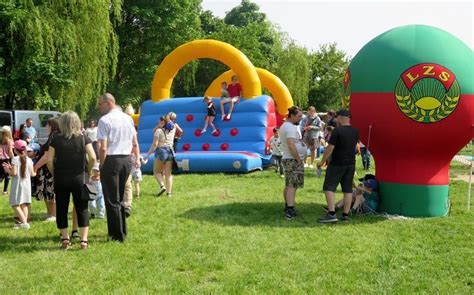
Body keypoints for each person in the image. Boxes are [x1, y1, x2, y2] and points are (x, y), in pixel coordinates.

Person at [47, 111, 97, 249]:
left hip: (61, 177)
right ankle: (84, 240)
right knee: (82, 208)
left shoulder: (55, 139)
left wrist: (54, 173)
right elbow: (93, 157)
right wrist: (88, 170)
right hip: (79, 177)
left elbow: (49, 161)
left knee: (62, 208)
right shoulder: (83, 138)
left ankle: (65, 239)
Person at [97, 93, 140, 242]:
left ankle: (116, 235)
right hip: (126, 159)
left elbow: (102, 148)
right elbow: (134, 141)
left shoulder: (104, 120)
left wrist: (101, 164)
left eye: (100, 104)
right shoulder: (128, 118)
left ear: (108, 103)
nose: (99, 107)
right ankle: (122, 230)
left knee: (111, 199)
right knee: (120, 197)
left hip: (111, 159)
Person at [317, 109, 359, 223]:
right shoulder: (356, 131)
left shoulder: (337, 131)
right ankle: (345, 215)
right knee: (348, 189)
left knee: (329, 188)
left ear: (340, 117)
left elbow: (330, 148)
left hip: (337, 163)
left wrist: (322, 161)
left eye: (336, 117)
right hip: (351, 163)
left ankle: (331, 214)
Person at [280, 106, 306, 219]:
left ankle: (287, 206)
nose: (301, 118)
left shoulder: (286, 126)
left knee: (288, 184)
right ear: (292, 115)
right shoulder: (290, 128)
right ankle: (290, 210)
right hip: (292, 159)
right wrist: (298, 159)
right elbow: (291, 144)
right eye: (299, 116)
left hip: (288, 158)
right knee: (293, 185)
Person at [3, 140, 36, 229]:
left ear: (15, 150)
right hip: (26, 185)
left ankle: (24, 223)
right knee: (24, 204)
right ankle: (23, 222)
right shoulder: (29, 160)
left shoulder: (15, 159)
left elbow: (14, 173)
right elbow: (33, 174)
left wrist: (7, 170)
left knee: (15, 204)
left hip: (17, 185)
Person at [33, 118, 60, 222]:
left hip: (49, 170)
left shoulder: (53, 137)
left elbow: (46, 156)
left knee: (50, 192)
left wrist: (35, 167)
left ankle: (53, 214)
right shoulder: (52, 137)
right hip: (45, 170)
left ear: (52, 126)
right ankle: (50, 214)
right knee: (46, 193)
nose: (46, 128)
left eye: (47, 125)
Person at [143, 115, 176, 197]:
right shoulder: (173, 129)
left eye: (159, 121)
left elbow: (155, 144)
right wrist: (160, 125)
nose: (157, 122)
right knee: (168, 174)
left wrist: (147, 156)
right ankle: (169, 193)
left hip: (161, 151)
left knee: (157, 171)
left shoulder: (158, 131)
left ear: (162, 122)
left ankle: (162, 186)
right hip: (170, 151)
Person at [0, 126, 14, 195]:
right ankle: (5, 191)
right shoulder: (10, 141)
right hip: (6, 160)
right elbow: (10, 152)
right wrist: (14, 159)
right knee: (6, 175)